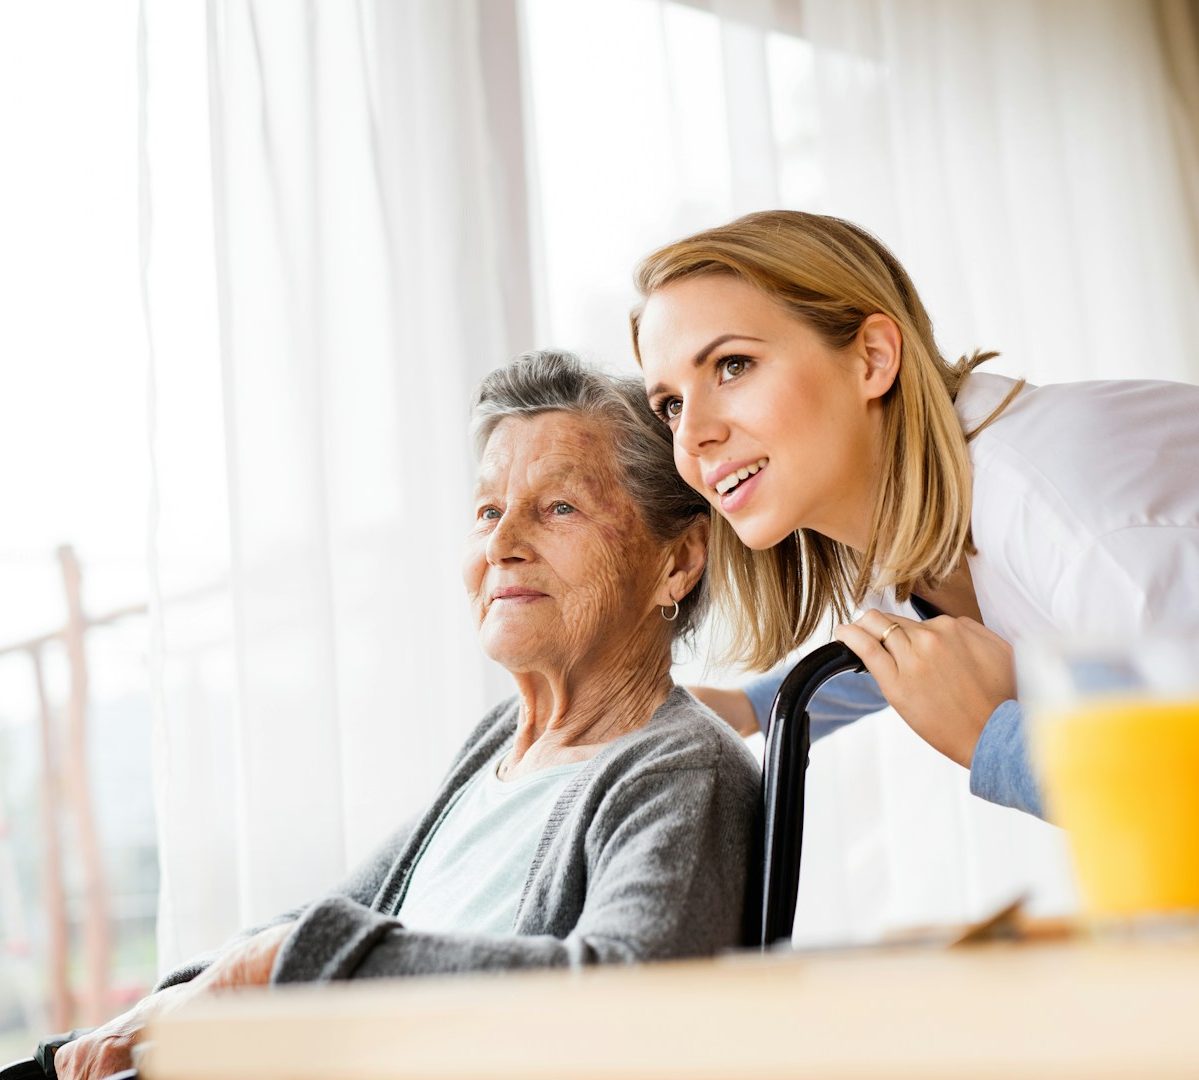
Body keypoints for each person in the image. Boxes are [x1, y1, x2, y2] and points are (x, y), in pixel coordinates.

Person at [49, 351, 760, 1080]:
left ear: (676, 561)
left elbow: (632, 995)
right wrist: (149, 1011)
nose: (500, 544)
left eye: (557, 509)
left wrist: (275, 966)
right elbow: (324, 921)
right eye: (487, 511)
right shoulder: (500, 749)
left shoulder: (680, 772)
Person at [632, 209, 1199, 819]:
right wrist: (751, 707)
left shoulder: (1074, 515)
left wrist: (992, 736)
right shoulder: (905, 519)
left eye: (733, 365)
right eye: (669, 404)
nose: (690, 436)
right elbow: (911, 650)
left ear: (872, 357)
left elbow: (1178, 801)